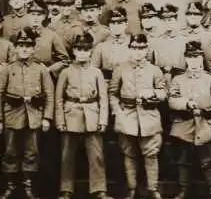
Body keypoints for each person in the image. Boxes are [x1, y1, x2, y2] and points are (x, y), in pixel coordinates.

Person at [109, 34, 166, 199]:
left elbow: (164, 93)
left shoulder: (154, 70)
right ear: (129, 49)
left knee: (151, 152)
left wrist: (153, 92)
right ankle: (132, 188)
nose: (138, 52)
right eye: (134, 48)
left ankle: (153, 188)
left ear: (147, 49)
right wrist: (117, 111)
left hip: (149, 116)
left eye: (142, 48)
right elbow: (113, 93)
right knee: (129, 153)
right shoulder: (120, 69)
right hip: (127, 115)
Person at [0, 27, 55, 199]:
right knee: (10, 151)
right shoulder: (7, 69)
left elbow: (50, 95)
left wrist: (47, 117)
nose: (24, 49)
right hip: (12, 115)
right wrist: (0, 119)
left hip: (34, 116)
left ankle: (28, 185)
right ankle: (10, 185)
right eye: (21, 45)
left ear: (33, 48)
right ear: (16, 47)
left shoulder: (41, 69)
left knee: (32, 151)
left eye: (28, 45)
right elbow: (0, 94)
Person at [55, 32, 109, 199]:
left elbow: (103, 98)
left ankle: (99, 189)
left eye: (86, 50)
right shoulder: (66, 72)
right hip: (71, 115)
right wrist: (60, 120)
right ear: (74, 52)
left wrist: (103, 120)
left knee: (97, 156)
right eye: (79, 49)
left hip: (92, 115)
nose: (83, 53)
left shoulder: (96, 72)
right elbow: (58, 98)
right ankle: (66, 189)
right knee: (67, 156)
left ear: (90, 52)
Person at [168, 41, 211, 199]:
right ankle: (183, 190)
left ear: (201, 59)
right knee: (184, 160)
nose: (194, 61)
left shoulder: (210, 79)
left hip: (205, 125)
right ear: (185, 59)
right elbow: (172, 99)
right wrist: (185, 103)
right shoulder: (178, 79)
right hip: (184, 126)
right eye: (190, 58)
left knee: (208, 161)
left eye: (197, 58)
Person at [26, 0, 70, 77]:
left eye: (39, 15)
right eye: (32, 14)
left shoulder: (51, 35)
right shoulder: (21, 34)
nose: (35, 18)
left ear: (44, 16)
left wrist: (49, 69)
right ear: (27, 16)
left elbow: (65, 60)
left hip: (44, 76)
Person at [91, 7, 131, 81]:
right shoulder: (101, 47)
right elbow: (93, 71)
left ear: (126, 24)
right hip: (107, 83)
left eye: (120, 23)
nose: (116, 27)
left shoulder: (133, 45)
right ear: (109, 26)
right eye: (113, 24)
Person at [148, 3, 186, 78]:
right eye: (164, 20)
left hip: (180, 77)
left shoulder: (184, 40)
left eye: (170, 20)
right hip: (161, 78)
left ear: (176, 20)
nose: (167, 23)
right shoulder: (155, 41)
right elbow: (151, 64)